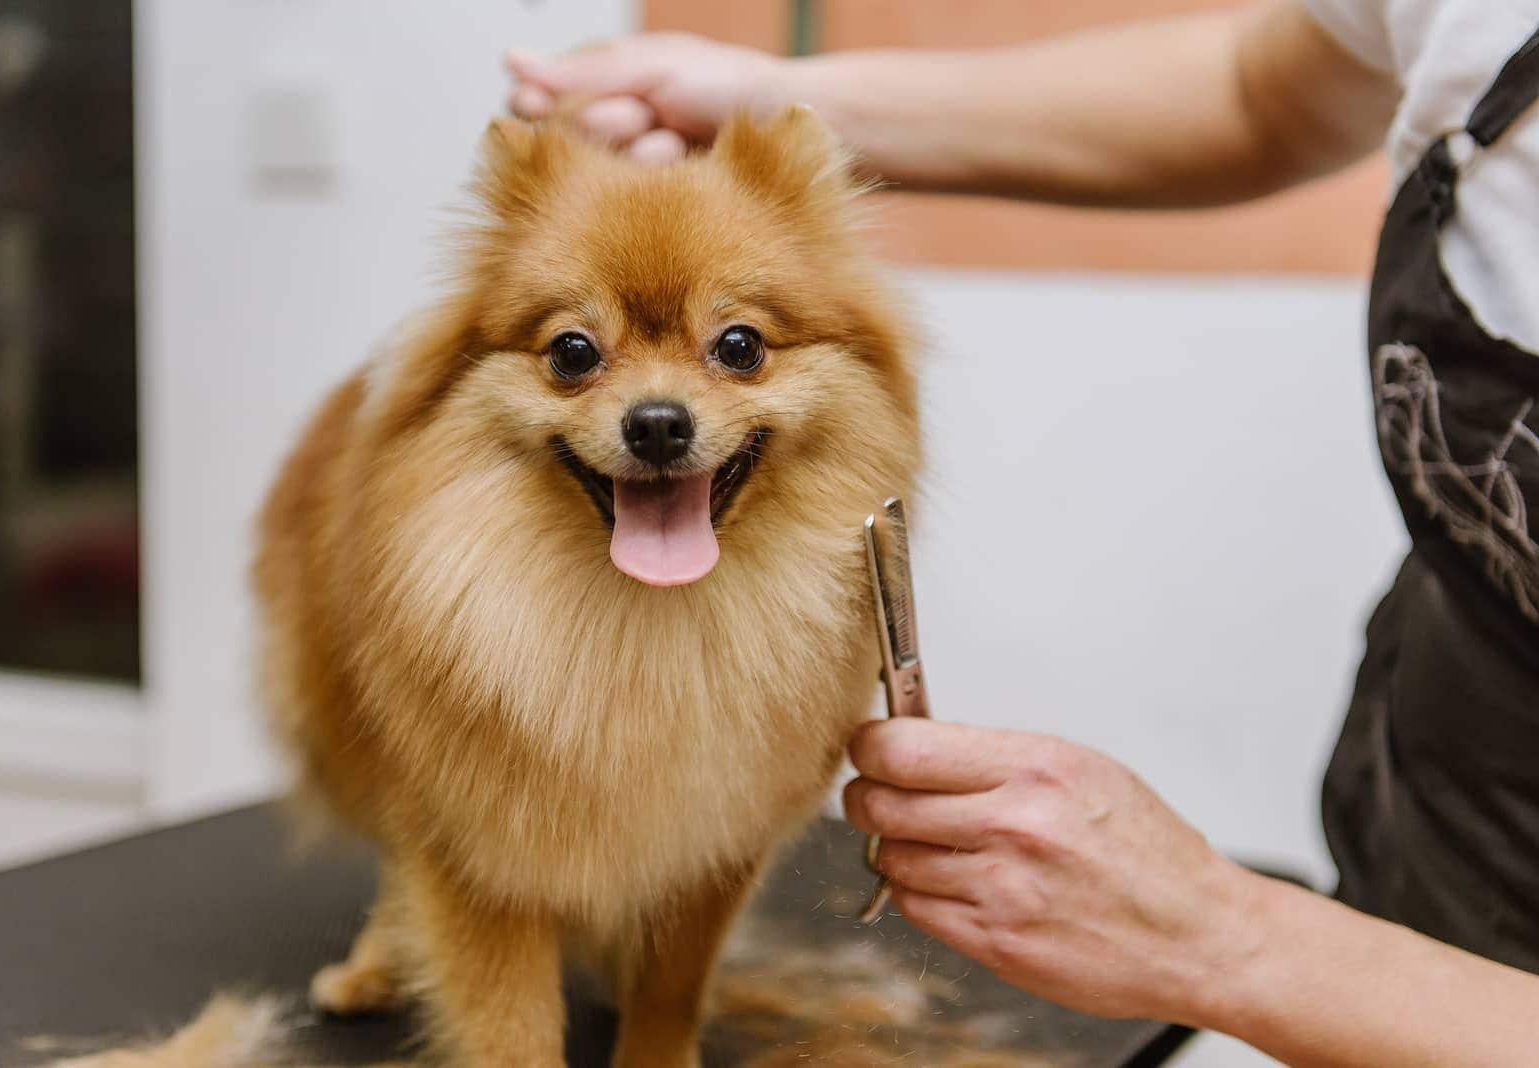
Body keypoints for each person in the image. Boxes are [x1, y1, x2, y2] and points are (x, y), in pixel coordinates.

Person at [504, 1, 1539, 1064]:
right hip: (1444, 780)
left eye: (736, 348)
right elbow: (1259, 89)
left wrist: (1227, 938)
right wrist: (766, 100)